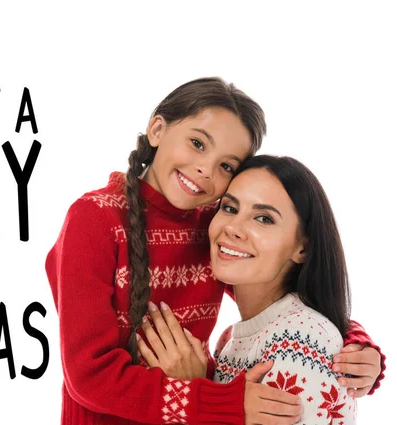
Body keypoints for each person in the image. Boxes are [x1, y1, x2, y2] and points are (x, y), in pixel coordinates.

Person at [45, 78, 384, 425]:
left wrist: (354, 344)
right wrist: (220, 402)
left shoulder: (214, 225)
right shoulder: (94, 220)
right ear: (158, 129)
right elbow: (89, 376)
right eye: (197, 143)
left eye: (227, 166)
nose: (206, 170)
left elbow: (282, 300)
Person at [137, 155, 372, 424]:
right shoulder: (229, 341)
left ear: (302, 247)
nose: (233, 228)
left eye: (263, 218)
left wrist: (194, 390)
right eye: (229, 208)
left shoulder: (300, 338)